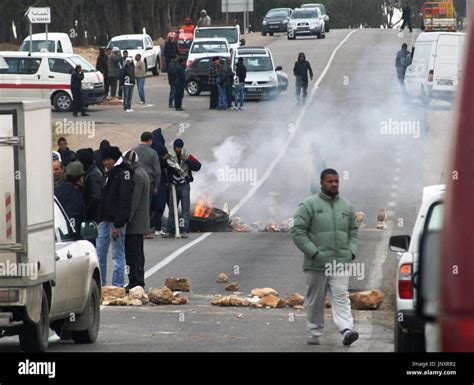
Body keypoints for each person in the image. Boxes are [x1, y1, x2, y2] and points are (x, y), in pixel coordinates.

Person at [291, 168, 359, 346]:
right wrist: (314, 252)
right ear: (322, 183)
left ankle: (346, 330)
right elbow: (298, 231)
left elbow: (353, 231)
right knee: (315, 300)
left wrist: (351, 251)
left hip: (340, 263)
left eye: (336, 181)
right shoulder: (308, 205)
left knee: (341, 296)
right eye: (330, 181)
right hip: (316, 264)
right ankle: (314, 332)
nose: (334, 184)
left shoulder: (346, 206)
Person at [96, 146, 134, 288]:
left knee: (117, 256)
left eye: (108, 160)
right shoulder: (109, 174)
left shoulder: (124, 174)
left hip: (116, 223)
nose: (106, 163)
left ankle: (117, 286)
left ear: (115, 159)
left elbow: (124, 201)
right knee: (100, 255)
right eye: (104, 160)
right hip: (104, 221)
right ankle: (101, 285)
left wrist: (118, 224)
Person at [122, 150, 150, 291]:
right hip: (139, 221)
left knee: (134, 253)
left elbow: (135, 199)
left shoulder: (137, 175)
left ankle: (136, 281)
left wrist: (127, 218)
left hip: (135, 223)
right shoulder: (141, 172)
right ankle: (136, 280)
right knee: (136, 252)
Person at [164, 139, 201, 239]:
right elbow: (163, 165)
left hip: (184, 185)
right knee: (172, 208)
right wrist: (164, 159)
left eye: (179, 147)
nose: (177, 149)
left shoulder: (187, 155)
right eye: (176, 147)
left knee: (185, 209)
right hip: (173, 185)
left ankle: (185, 230)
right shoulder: (170, 155)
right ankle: (170, 230)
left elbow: (197, 166)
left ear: (182, 147)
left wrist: (186, 160)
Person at [132, 131, 161, 233]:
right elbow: (157, 172)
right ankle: (145, 230)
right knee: (146, 206)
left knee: (135, 203)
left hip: (134, 181)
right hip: (149, 182)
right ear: (149, 140)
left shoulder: (133, 151)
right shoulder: (153, 152)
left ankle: (134, 226)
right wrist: (157, 186)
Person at [54, 161, 86, 233]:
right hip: (69, 237)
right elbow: (73, 219)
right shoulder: (73, 194)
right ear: (81, 178)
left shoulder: (58, 189)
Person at [76, 148, 102, 225]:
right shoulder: (90, 172)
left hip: (94, 219)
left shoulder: (93, 175)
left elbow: (95, 197)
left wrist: (85, 212)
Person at [151, 128, 169, 236]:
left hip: (150, 180)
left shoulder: (150, 149)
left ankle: (151, 226)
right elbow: (164, 165)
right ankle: (157, 227)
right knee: (160, 205)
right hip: (160, 181)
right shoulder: (161, 149)